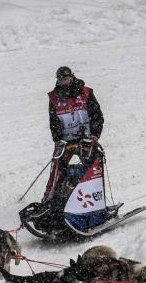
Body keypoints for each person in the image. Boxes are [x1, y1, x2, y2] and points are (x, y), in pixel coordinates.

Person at [42, 66, 104, 203]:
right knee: (57, 170)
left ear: (72, 77)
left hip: (86, 139)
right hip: (66, 141)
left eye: (66, 78)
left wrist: (94, 134)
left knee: (93, 168)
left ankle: (95, 201)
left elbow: (96, 115)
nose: (64, 81)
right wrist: (57, 139)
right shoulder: (54, 98)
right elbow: (54, 121)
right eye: (61, 79)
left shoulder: (86, 92)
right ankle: (50, 200)